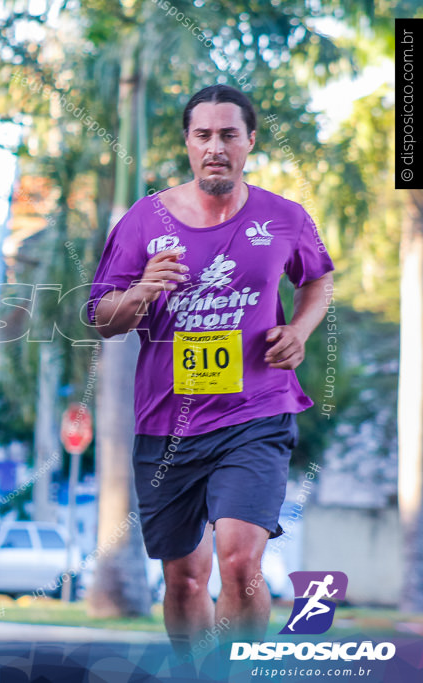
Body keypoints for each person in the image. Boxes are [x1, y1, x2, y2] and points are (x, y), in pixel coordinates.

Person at [87, 85, 333, 656]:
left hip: (257, 413)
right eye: (203, 135)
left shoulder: (285, 218)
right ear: (188, 144)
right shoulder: (144, 221)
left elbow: (318, 279)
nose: (215, 147)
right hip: (166, 422)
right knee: (185, 578)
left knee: (241, 560)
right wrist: (142, 290)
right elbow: (102, 318)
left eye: (228, 135)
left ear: (249, 141)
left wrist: (298, 330)